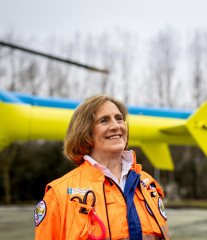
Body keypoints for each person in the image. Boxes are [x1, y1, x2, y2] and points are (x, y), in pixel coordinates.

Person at [34, 95, 170, 240]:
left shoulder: (147, 184)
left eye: (119, 118)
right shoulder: (59, 194)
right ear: (85, 132)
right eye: (104, 120)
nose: (116, 126)